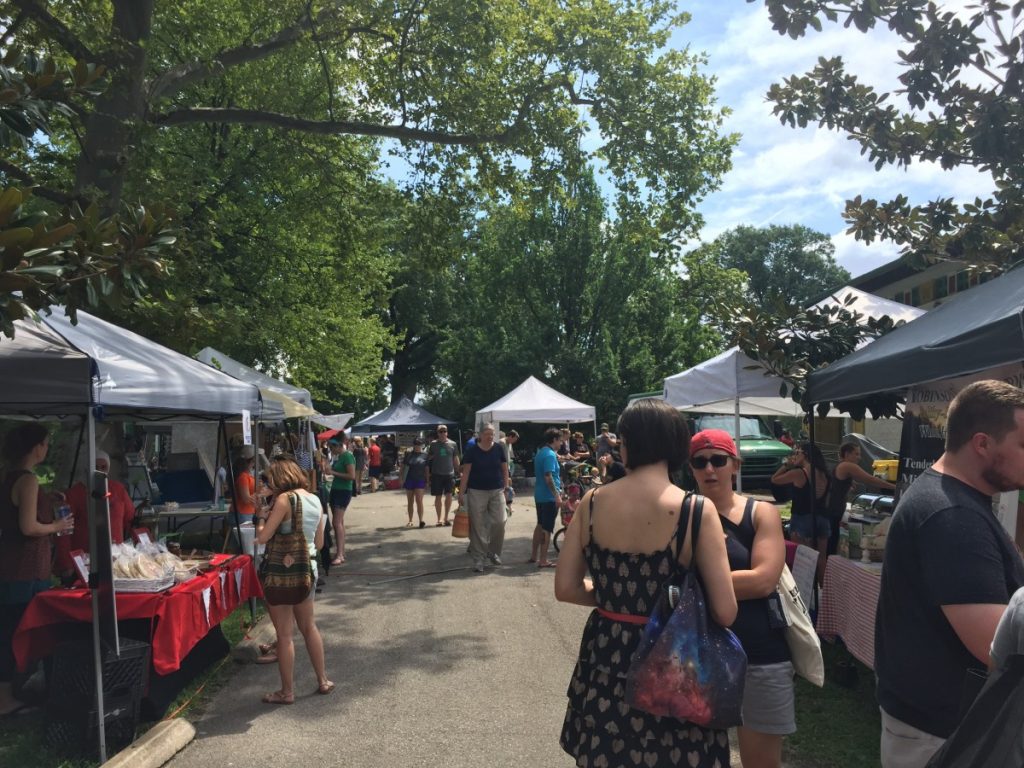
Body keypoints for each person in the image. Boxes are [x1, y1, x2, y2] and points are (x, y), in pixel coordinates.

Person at [554, 398, 737, 767]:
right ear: (676, 445)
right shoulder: (695, 510)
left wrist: (616, 602)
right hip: (673, 662)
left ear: (627, 443)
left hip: (607, 655)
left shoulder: (591, 503)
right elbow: (725, 611)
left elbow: (566, 588)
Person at [875, 380, 1024, 768]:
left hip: (936, 727)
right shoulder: (953, 516)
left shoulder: (948, 498)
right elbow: (998, 648)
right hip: (945, 737)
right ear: (982, 443)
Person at [691, 428, 794, 768]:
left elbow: (764, 580)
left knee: (762, 763)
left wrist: (695, 585)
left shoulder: (760, 513)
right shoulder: (681, 514)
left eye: (718, 461)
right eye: (700, 462)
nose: (709, 470)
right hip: (696, 656)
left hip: (760, 654)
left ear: (735, 465)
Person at [0, 424, 74, 715]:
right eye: (45, 443)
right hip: (26, 569)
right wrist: (57, 526)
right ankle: (8, 698)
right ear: (35, 448)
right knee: (22, 630)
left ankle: (10, 690)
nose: (47, 448)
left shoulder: (7, 475)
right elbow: (28, 526)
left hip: (9, 565)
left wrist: (47, 499)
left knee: (6, 630)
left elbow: (15, 511)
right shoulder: (28, 480)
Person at [253, 457, 332, 703]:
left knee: (285, 634)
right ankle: (323, 680)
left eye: (271, 479)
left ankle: (287, 691)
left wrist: (261, 517)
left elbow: (263, 538)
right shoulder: (315, 499)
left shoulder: (285, 500)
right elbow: (319, 543)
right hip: (307, 568)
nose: (270, 484)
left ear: (281, 478)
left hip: (282, 573)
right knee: (309, 627)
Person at [55, 449, 136, 578]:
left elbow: (131, 518)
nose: (99, 471)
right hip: (85, 562)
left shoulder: (118, 489)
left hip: (116, 560)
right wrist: (67, 565)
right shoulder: (74, 494)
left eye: (103, 467)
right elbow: (63, 532)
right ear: (87, 468)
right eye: (95, 467)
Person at [771, 443, 830, 581]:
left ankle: (805, 592)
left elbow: (775, 480)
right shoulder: (824, 474)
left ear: (805, 455)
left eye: (797, 453)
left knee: (803, 558)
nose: (795, 455)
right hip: (822, 518)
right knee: (822, 558)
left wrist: (786, 465)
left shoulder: (799, 473)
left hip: (802, 518)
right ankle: (822, 590)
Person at [826, 441, 897, 555]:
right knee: (831, 546)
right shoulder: (848, 465)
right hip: (833, 510)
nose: (859, 457)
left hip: (832, 510)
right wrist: (895, 487)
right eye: (856, 454)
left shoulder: (840, 465)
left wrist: (849, 483)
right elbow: (871, 479)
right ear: (847, 454)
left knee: (831, 544)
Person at [458, 424, 509, 573]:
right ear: (480, 435)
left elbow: (505, 470)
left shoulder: (499, 448)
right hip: (476, 491)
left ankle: (493, 552)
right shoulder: (472, 450)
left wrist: (507, 488)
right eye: (487, 433)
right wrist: (461, 493)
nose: (490, 436)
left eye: (492, 433)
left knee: (500, 520)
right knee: (477, 525)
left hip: (497, 490)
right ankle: (479, 558)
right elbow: (465, 473)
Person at [531, 428, 564, 568]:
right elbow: (548, 477)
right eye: (560, 440)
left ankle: (534, 555)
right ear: (555, 439)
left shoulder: (541, 452)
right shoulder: (550, 455)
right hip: (549, 497)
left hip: (539, 495)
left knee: (540, 525)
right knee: (547, 528)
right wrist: (557, 495)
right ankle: (543, 560)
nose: (562, 443)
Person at [327, 437, 355, 565]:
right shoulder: (339, 457)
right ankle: (341, 552)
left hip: (343, 491)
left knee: (336, 522)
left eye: (332, 447)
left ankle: (340, 554)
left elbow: (351, 476)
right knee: (339, 523)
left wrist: (333, 472)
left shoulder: (347, 456)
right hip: (336, 490)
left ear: (338, 446)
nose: (331, 450)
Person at [426, 425, 460, 526]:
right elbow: (429, 457)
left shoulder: (453, 444)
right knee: (438, 497)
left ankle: (446, 518)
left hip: (449, 474)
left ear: (447, 432)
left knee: (449, 495)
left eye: (444, 431)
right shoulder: (433, 444)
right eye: (440, 431)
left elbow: (455, 458)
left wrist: (459, 471)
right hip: (437, 474)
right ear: (437, 433)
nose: (443, 433)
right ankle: (439, 519)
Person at [401, 438, 429, 528]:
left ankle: (421, 520)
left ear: (422, 445)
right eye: (416, 444)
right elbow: (402, 467)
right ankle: (410, 520)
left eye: (419, 444)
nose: (417, 446)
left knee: (419, 500)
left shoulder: (425, 455)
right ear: (413, 445)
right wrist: (400, 478)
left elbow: (427, 469)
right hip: (409, 479)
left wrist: (428, 480)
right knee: (410, 501)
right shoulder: (408, 455)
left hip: (420, 480)